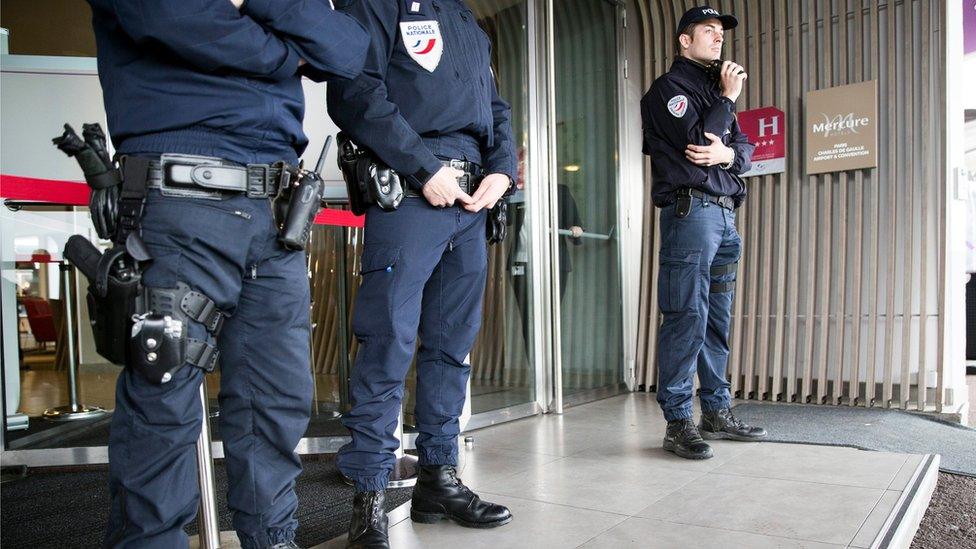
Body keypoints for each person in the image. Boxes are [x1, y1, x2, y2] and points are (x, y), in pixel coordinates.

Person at [87, 1, 369, 546]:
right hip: (178, 202)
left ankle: (273, 540)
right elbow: (169, 20)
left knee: (277, 401)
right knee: (162, 401)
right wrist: (287, 52)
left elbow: (347, 49)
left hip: (278, 214)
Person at [326, 0, 518, 546]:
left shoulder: (466, 24)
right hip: (411, 191)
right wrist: (422, 167)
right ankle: (368, 497)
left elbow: (496, 109)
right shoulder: (376, 6)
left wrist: (503, 171)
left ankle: (438, 476)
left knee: (451, 347)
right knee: (387, 343)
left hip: (472, 200)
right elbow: (354, 93)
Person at [640, 5, 767, 461]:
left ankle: (716, 410)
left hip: (725, 216)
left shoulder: (713, 92)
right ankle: (678, 421)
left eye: (721, 33)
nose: (718, 39)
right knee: (685, 315)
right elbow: (699, 146)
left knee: (717, 319)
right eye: (708, 32)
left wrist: (729, 155)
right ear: (683, 41)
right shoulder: (669, 90)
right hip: (691, 214)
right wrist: (728, 102)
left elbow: (744, 150)